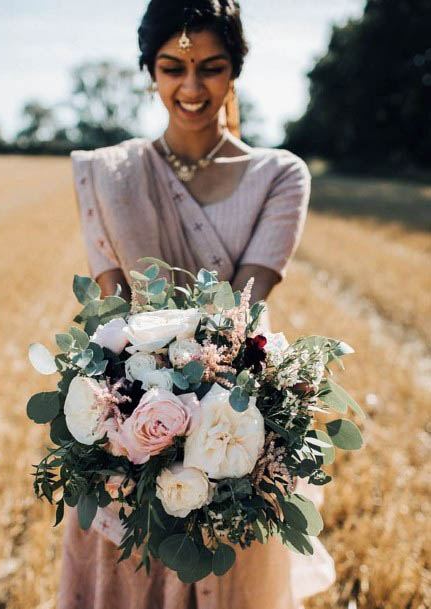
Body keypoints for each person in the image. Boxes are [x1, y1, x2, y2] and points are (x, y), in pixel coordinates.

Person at [58, 1, 335, 608]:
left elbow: (242, 312)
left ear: (235, 70)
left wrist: (201, 418)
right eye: (171, 68)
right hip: (131, 432)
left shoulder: (279, 175)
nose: (191, 87)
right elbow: (116, 315)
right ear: (149, 71)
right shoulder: (112, 175)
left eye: (211, 67)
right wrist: (131, 429)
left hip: (234, 425)